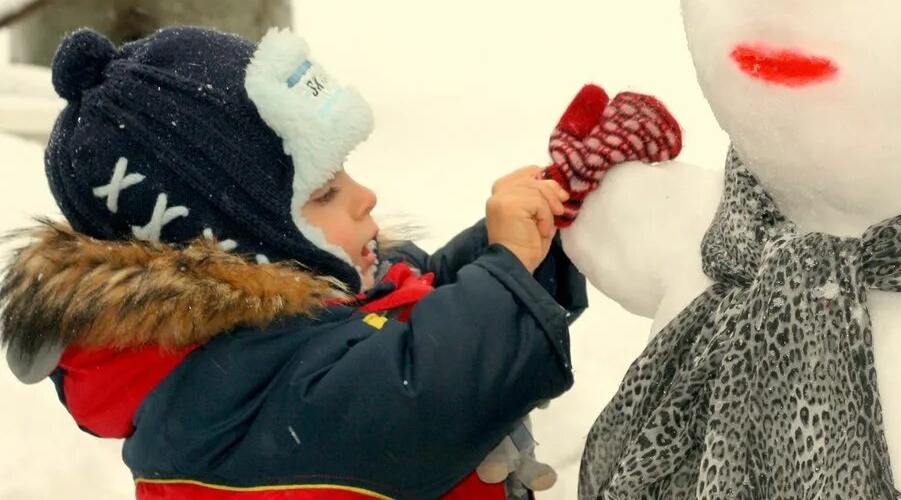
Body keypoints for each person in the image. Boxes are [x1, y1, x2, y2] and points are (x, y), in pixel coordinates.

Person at [1, 25, 586, 500]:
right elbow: (419, 391)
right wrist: (507, 265)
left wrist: (535, 232)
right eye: (324, 193)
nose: (366, 196)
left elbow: (408, 308)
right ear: (230, 247)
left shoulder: (289, 326)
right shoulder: (220, 397)